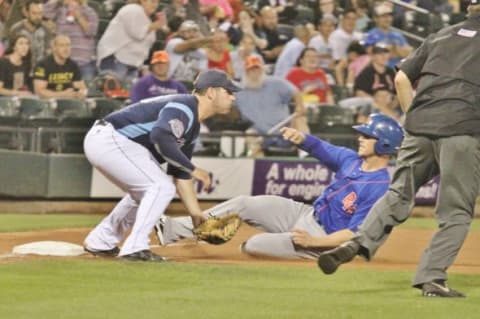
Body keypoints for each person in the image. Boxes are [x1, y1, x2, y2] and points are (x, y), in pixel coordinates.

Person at [317, 0, 480, 298]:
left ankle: (357, 242)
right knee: (455, 211)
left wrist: (414, 116)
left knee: (398, 194)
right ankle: (431, 277)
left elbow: (402, 77)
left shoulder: (442, 34)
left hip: (419, 125)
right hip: (463, 128)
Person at [154, 113, 404, 260]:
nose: (360, 138)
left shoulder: (379, 188)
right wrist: (302, 138)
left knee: (253, 245)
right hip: (305, 214)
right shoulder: (350, 159)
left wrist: (314, 243)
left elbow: (355, 234)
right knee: (245, 203)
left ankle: (264, 247)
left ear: (383, 145)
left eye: (367, 136)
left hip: (324, 240)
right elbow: (320, 147)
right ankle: (173, 229)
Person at [83, 69, 240, 261]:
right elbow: (161, 136)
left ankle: (101, 242)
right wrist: (193, 169)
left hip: (114, 142)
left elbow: (179, 172)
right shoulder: (185, 106)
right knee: (160, 186)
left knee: (144, 192)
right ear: (211, 92)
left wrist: (195, 213)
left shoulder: (192, 124)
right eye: (228, 92)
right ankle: (135, 247)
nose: (233, 97)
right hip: (111, 139)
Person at [235, 55, 308, 157]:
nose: (255, 73)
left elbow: (295, 92)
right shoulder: (238, 92)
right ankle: (259, 165)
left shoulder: (276, 82)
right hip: (258, 133)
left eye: (257, 69)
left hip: (284, 128)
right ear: (246, 73)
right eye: (251, 70)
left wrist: (300, 106)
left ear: (262, 70)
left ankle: (306, 153)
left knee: (300, 119)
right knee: (249, 135)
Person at [96, 0, 166, 83]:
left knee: (128, 94)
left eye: (157, 2)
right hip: (117, 58)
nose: (155, 5)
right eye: (152, 1)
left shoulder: (147, 18)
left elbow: (149, 43)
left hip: (133, 63)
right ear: (142, 1)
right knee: (112, 92)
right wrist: (156, 25)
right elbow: (137, 33)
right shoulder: (132, 9)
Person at [43, 0, 99, 81]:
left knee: (87, 92)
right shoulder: (60, 10)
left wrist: (79, 16)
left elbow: (91, 31)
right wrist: (59, 1)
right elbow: (44, 12)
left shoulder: (89, 11)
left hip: (83, 63)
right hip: (63, 63)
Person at [33, 34, 87, 99]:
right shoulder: (42, 65)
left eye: (68, 45)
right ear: (54, 48)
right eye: (62, 45)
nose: (66, 49)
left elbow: (81, 88)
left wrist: (81, 93)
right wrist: (62, 94)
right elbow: (39, 92)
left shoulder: (73, 65)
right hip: (48, 103)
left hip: (68, 103)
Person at [364, 3, 413, 68]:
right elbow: (370, 54)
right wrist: (397, 51)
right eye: (383, 16)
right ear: (376, 19)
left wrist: (392, 49)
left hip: (397, 71)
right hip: (380, 71)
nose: (387, 19)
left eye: (389, 16)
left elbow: (409, 53)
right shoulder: (371, 34)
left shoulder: (398, 35)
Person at [9, 0, 54, 70]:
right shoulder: (16, 29)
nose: (38, 17)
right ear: (26, 13)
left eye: (40, 13)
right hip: (20, 70)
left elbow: (49, 54)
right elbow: (10, 53)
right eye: (34, 13)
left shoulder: (46, 30)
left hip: (40, 72)